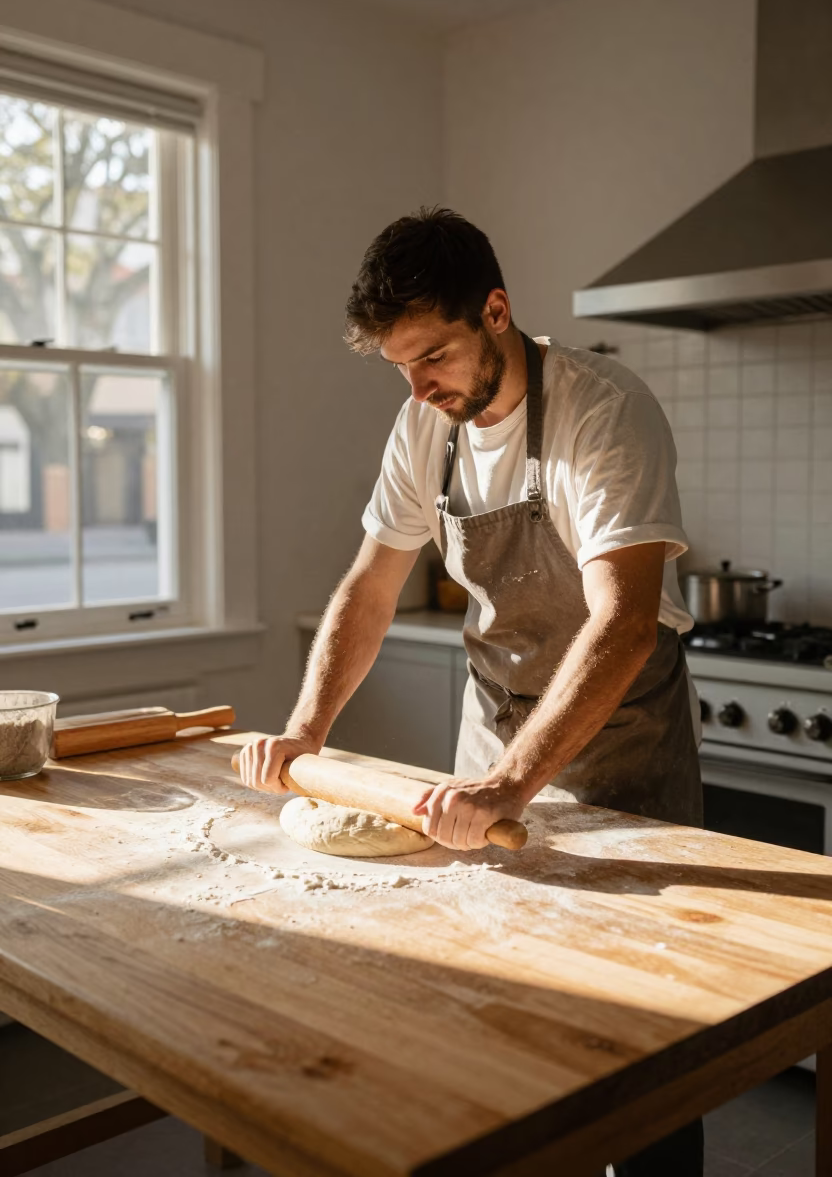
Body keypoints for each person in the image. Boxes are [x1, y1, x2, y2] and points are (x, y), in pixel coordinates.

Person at [236, 207, 704, 1176]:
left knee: (642, 1026)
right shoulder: (425, 423)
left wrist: (509, 789)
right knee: (508, 1000)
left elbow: (619, 620)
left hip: (616, 745)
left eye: (434, 356)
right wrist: (305, 732)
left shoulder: (601, 411)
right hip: (491, 734)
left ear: (495, 311)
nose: (418, 388)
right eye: (399, 368)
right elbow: (370, 584)